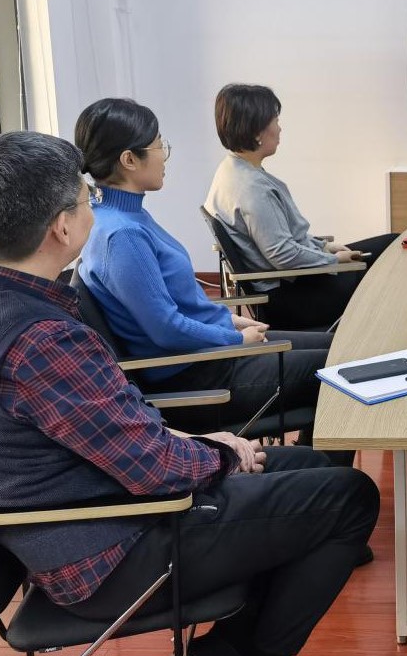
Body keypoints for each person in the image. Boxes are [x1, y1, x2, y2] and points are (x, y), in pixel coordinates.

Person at [0, 131, 380, 656]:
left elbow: (103, 431)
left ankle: (226, 650)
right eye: (84, 197)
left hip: (79, 511)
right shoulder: (41, 340)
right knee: (349, 497)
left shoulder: (1, 307)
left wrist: (191, 442)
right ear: (61, 226)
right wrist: (222, 454)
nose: (92, 205)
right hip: (112, 545)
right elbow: (156, 470)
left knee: (303, 464)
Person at [73, 98, 331, 446]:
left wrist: (228, 320)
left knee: (340, 349)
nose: (164, 155)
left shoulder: (122, 216)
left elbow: (175, 305)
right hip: (200, 377)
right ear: (129, 160)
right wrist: (235, 340)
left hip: (207, 355)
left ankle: (312, 466)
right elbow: (165, 329)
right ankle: (320, 475)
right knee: (340, 371)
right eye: (159, 145)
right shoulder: (122, 235)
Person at [204, 84, 397, 330]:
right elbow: (282, 254)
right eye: (275, 120)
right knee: (388, 262)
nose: (280, 128)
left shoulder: (231, 169)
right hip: (293, 298)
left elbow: (278, 239)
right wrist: (332, 259)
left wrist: (323, 246)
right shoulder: (252, 188)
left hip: (293, 282)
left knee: (392, 242)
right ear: (256, 132)